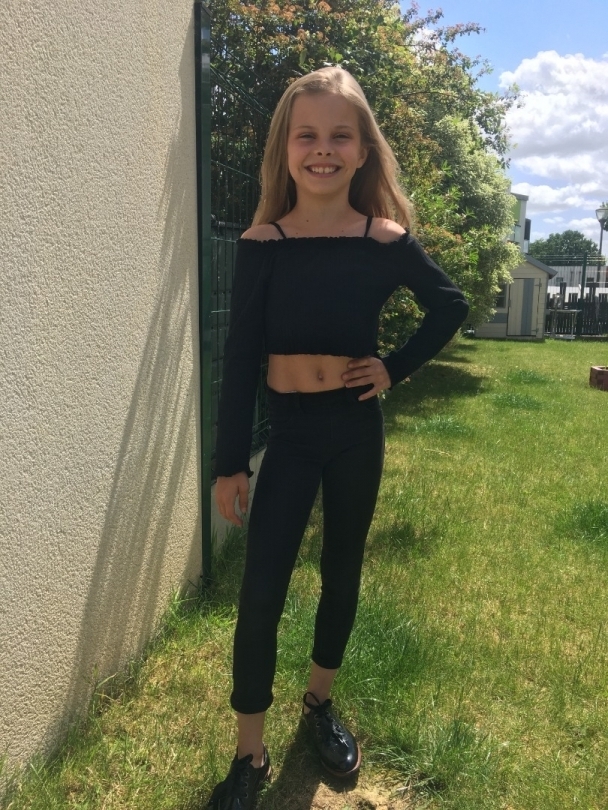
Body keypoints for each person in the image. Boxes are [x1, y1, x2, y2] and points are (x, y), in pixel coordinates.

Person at [207, 66, 469, 809]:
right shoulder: (263, 243)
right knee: (261, 588)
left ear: (363, 151)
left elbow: (449, 305)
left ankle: (319, 703)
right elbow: (238, 360)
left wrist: (394, 368)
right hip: (290, 436)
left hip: (354, 430)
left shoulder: (383, 241)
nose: (322, 149)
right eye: (307, 135)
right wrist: (230, 463)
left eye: (339, 136)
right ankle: (249, 753)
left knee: (341, 571)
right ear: (285, 149)